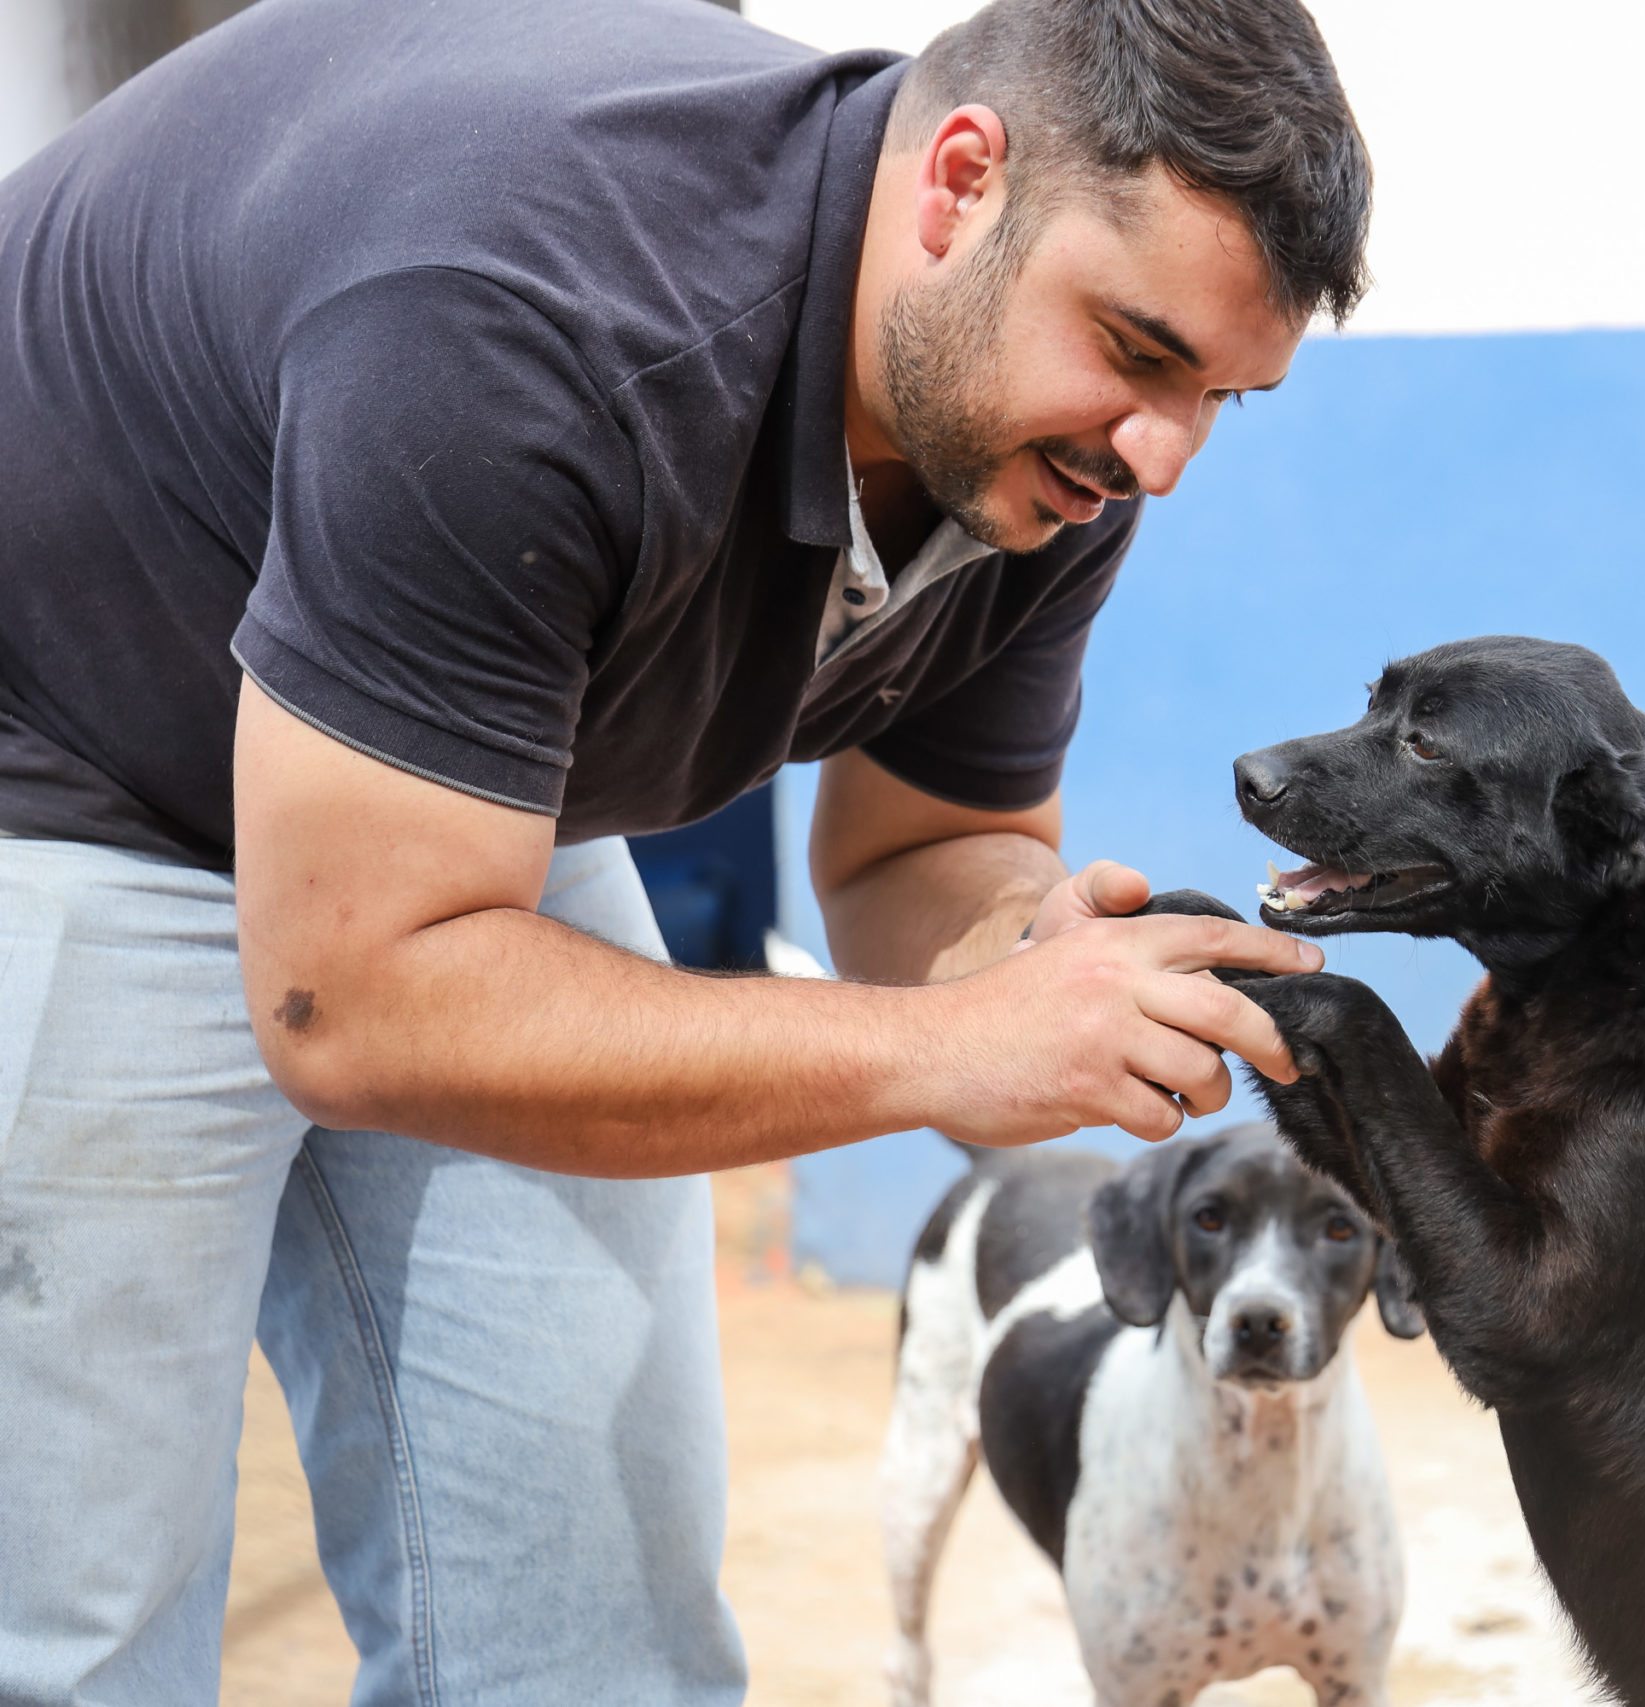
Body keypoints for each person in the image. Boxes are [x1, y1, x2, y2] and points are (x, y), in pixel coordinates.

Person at [0, 0, 1369, 1698]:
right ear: (959, 181)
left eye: (1224, 395)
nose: (1165, 455)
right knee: (80, 1634)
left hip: (451, 801)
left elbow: (924, 846)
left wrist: (1018, 959)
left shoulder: (1046, 444)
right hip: (63, 749)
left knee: (597, 1631)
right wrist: (947, 1045)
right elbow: (354, 998)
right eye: (1146, 353)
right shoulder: (539, 313)